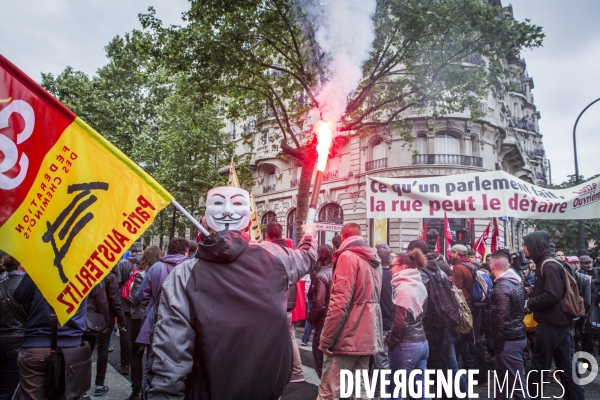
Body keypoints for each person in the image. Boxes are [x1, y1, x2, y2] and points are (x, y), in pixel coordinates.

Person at [146, 186, 317, 399]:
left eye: (236, 204)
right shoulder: (277, 258)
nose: (227, 211)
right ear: (249, 223)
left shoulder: (182, 276)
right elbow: (307, 256)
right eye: (218, 203)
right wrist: (309, 235)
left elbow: (169, 361)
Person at [317, 223, 382, 400]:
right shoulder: (374, 259)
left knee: (329, 392)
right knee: (361, 391)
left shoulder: (347, 257)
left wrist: (326, 339)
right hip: (367, 335)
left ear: (343, 237)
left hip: (346, 337)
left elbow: (339, 303)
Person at [524, 231, 583, 399]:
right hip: (560, 322)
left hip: (551, 322)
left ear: (534, 245)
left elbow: (552, 295)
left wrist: (530, 303)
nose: (524, 248)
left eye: (526, 245)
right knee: (566, 365)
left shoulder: (548, 265)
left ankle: (533, 396)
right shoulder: (551, 262)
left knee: (539, 365)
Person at [14, 273, 88, 399]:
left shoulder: (40, 264)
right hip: (72, 347)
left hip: (37, 343)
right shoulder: (88, 267)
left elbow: (19, 297)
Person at [137, 237, 189, 395]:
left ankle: (148, 394)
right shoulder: (191, 267)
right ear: (185, 251)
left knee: (151, 361)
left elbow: (141, 295)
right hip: (185, 322)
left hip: (156, 318)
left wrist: (154, 302)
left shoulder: (156, 267)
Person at [264, 221, 305, 383]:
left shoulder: (265, 252)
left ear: (267, 235)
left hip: (274, 305)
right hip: (286, 305)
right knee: (288, 336)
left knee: (286, 337)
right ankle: (292, 370)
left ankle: (296, 370)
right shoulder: (291, 253)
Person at [387, 249, 429, 400]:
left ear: (403, 267)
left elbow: (400, 322)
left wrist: (391, 342)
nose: (391, 269)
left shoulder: (403, 288)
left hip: (406, 345)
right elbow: (423, 313)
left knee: (393, 391)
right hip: (421, 342)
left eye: (393, 265)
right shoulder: (418, 283)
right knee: (421, 391)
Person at [489, 252, 529, 400]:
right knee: (503, 382)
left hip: (509, 340)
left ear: (492, 267)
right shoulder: (516, 282)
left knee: (517, 385)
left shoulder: (501, 288)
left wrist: (498, 344)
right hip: (515, 335)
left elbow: (501, 319)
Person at [125, 245, 162, 400]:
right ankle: (152, 388)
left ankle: (137, 389)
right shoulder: (165, 272)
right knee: (154, 354)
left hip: (139, 318)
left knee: (136, 353)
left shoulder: (141, 273)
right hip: (157, 318)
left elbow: (134, 298)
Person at [451, 244, 487, 382]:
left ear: (457, 254)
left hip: (466, 306)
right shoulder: (472, 265)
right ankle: (476, 374)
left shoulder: (459, 268)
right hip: (474, 305)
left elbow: (457, 289)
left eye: (453, 253)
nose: (452, 255)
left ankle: (478, 376)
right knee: (473, 339)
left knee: (469, 340)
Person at [0, 255, 27, 400]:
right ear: (21, 265)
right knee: (10, 390)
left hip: (2, 342)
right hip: (18, 344)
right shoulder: (26, 287)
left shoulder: (2, 285)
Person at [115, 242, 143, 375]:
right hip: (139, 306)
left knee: (125, 334)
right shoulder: (146, 264)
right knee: (137, 335)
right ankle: (136, 361)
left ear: (131, 251)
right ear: (141, 250)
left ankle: (125, 364)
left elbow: (118, 286)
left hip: (124, 306)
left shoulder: (123, 264)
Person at [307, 244, 334, 378]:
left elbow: (318, 304)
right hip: (338, 321)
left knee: (320, 362)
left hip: (323, 323)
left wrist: (310, 319)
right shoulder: (339, 271)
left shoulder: (321, 275)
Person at [374, 242, 393, 370]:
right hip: (392, 323)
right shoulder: (395, 277)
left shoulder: (375, 277)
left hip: (379, 323)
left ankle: (382, 390)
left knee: (382, 362)